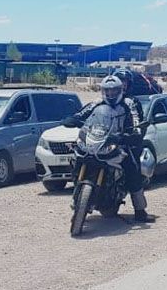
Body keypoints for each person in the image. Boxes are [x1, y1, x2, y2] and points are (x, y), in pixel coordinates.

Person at [63, 75, 156, 223]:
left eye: (114, 91)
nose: (111, 94)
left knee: (133, 169)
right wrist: (72, 119)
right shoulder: (97, 102)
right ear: (103, 91)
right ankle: (78, 195)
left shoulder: (129, 103)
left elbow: (136, 119)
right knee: (77, 158)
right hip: (98, 140)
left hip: (120, 142)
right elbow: (83, 113)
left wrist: (134, 133)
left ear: (120, 90)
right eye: (108, 91)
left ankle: (140, 211)